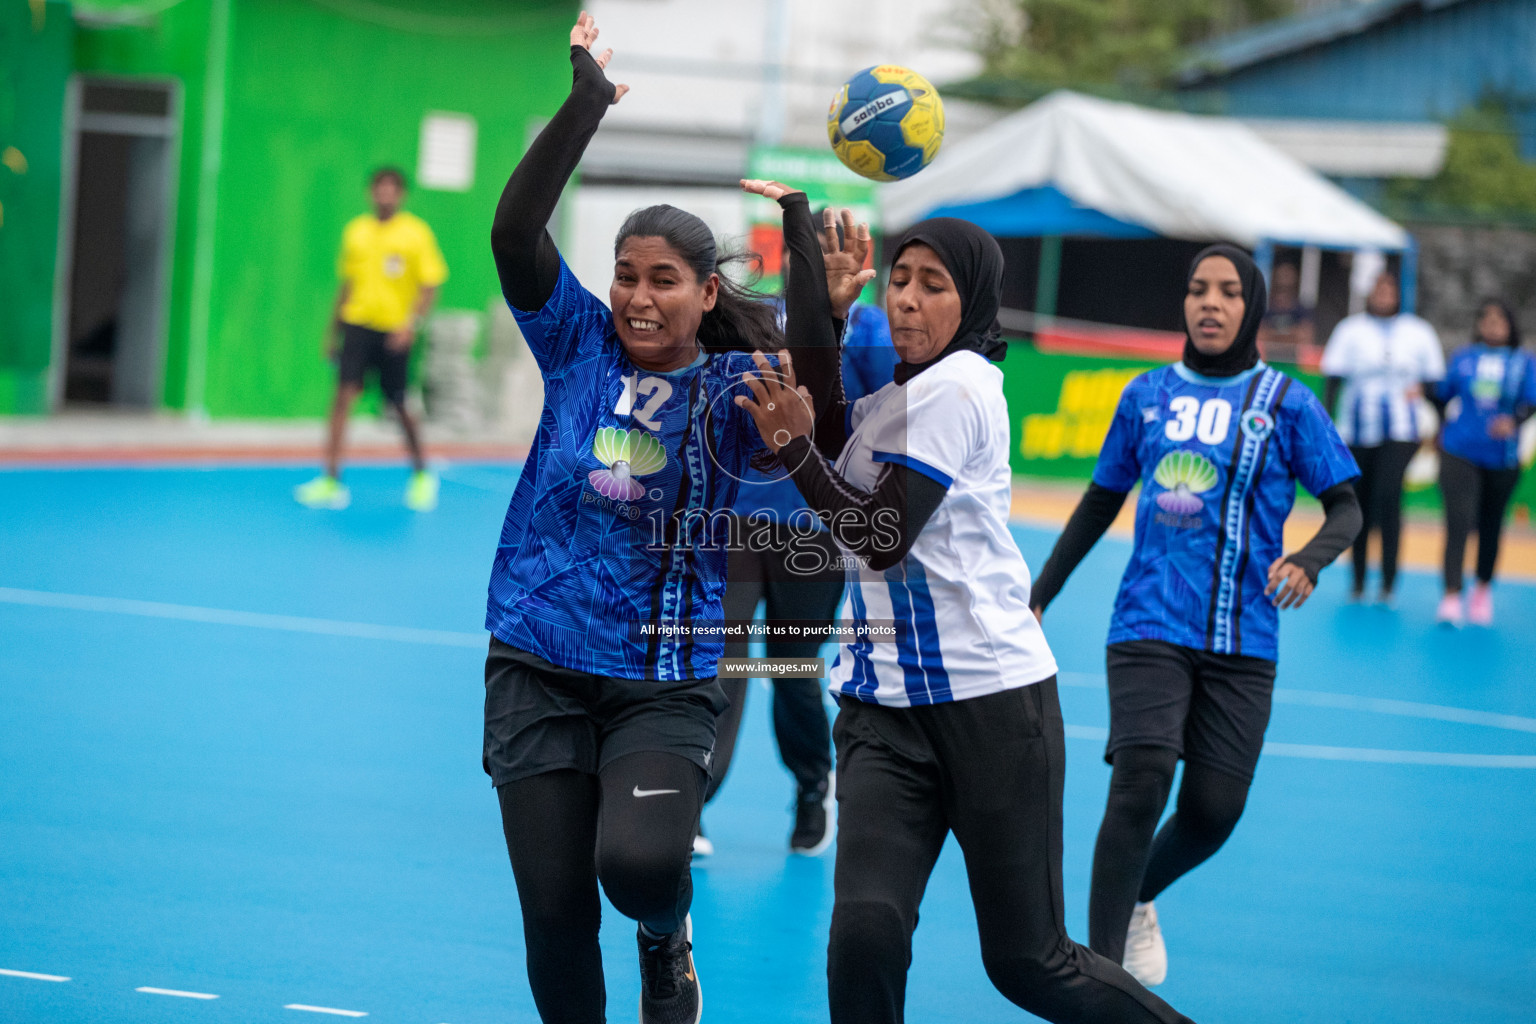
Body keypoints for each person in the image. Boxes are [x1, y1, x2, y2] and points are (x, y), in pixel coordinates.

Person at [735, 200, 1196, 1023]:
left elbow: (877, 534)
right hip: (883, 713)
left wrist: (798, 452)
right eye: (900, 279)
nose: (908, 298)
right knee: (864, 934)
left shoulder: (959, 387)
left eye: (933, 284)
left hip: (991, 705)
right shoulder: (894, 400)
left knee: (1030, 963)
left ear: (973, 301)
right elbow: (822, 404)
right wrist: (827, 296)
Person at [480, 16, 845, 1024]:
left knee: (638, 869)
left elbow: (814, 373)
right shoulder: (576, 345)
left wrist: (806, 242)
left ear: (706, 291)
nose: (639, 297)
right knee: (554, 915)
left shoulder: (734, 385)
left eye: (664, 279)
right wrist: (585, 103)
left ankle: (666, 932)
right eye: (626, 275)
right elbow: (515, 235)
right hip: (538, 657)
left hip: (664, 675)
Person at [1028, 245, 1362, 988]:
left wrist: (1309, 558)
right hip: (1149, 620)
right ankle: (1100, 980)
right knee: (1141, 776)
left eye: (1229, 292)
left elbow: (1347, 506)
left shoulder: (1289, 403)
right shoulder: (1145, 395)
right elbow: (1101, 499)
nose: (1210, 304)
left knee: (1214, 809)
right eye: (1197, 290)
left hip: (1247, 633)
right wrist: (1040, 588)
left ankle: (1142, 892)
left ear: (1252, 309)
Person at [701, 289, 895, 859]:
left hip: (814, 525)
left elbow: (890, 406)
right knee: (721, 664)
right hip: (734, 520)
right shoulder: (743, 313)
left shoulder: (866, 327)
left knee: (792, 671)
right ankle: (692, 797)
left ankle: (814, 784)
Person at [295, 166, 446, 511]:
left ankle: (422, 473)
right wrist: (332, 330)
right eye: (380, 188)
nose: (385, 194)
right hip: (357, 325)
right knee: (342, 399)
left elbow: (430, 284)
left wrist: (411, 326)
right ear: (371, 193)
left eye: (392, 189)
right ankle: (331, 480)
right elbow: (346, 284)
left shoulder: (416, 234)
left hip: (394, 331)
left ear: (401, 195)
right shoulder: (356, 232)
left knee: (398, 404)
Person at [1320, 270, 1444, 603]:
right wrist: (1327, 426)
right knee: (1358, 503)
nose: (1384, 293)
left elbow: (1436, 385)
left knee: (1388, 497)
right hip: (1357, 431)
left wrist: (1438, 420)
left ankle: (1388, 581)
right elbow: (1333, 379)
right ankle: (1358, 580)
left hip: (1402, 430)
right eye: (1379, 287)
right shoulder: (1350, 330)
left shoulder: (1418, 332)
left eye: (1390, 287)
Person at [1432, 300, 1536, 626]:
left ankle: (1482, 589)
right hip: (1459, 450)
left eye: (1499, 319)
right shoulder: (1463, 357)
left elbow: (1531, 402)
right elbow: (1442, 394)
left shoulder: (1523, 361)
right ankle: (1451, 594)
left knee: (1491, 524)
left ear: (1510, 325)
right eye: (1485, 319)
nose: (1491, 325)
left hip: (1501, 457)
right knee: (1459, 520)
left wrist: (1514, 421)